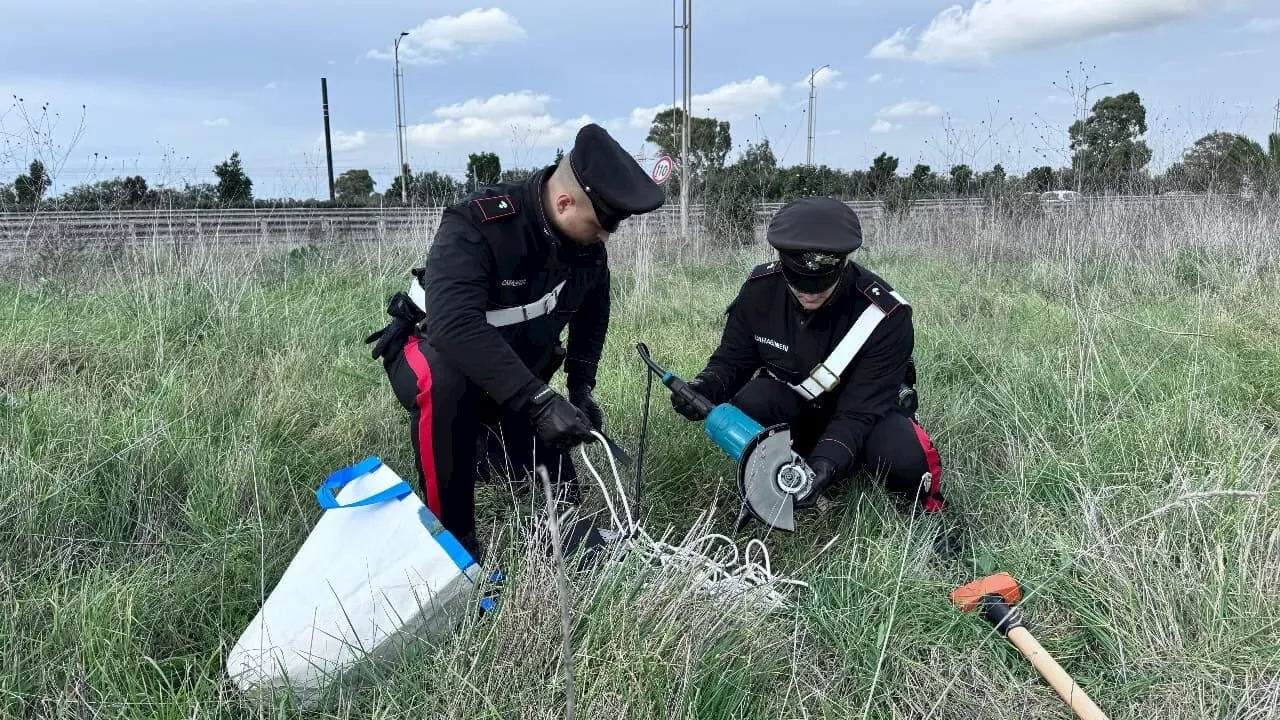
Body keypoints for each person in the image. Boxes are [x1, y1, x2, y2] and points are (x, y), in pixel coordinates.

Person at [364, 123, 667, 562]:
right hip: (431, 353)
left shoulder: (586, 251)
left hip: (512, 371)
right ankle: (454, 548)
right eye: (603, 224)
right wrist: (538, 400)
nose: (606, 236)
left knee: (551, 478)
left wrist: (580, 388)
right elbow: (452, 325)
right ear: (565, 203)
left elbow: (591, 316)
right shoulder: (476, 223)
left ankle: (545, 517)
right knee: (447, 382)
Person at [670, 196, 945, 516]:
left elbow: (858, 414)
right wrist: (703, 388)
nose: (809, 293)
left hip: (865, 420)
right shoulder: (760, 291)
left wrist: (826, 464)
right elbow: (732, 361)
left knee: (905, 457)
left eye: (821, 285)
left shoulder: (886, 316)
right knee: (752, 399)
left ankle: (873, 483)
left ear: (842, 264)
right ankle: (779, 478)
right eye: (799, 283)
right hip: (799, 411)